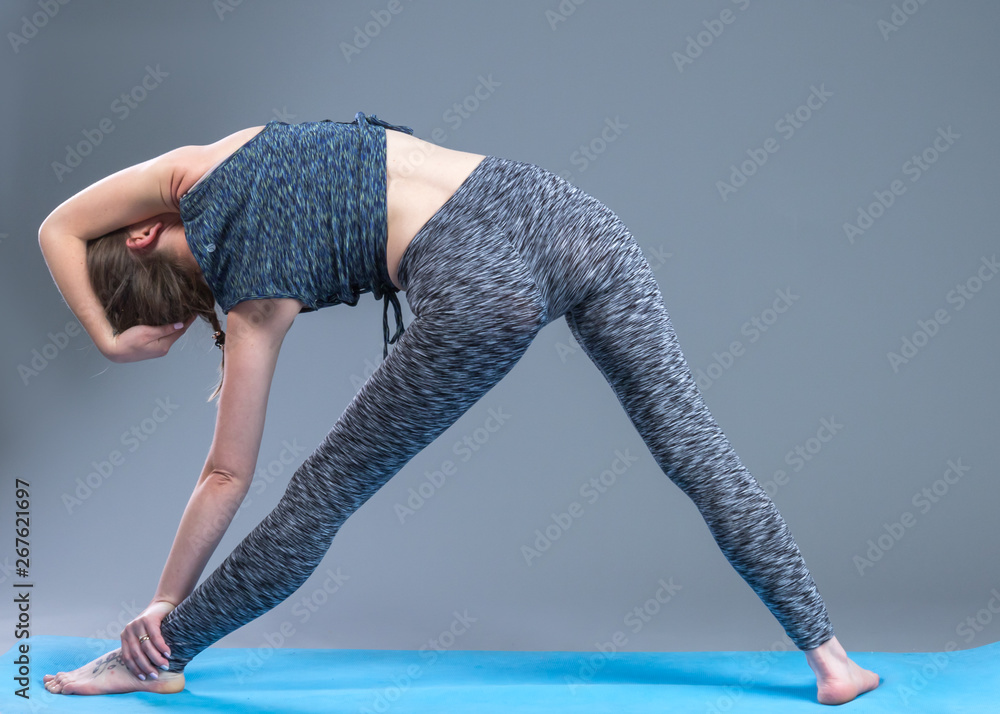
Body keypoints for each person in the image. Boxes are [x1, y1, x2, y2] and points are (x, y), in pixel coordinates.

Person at [38, 112, 879, 705]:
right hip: (566, 212)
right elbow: (61, 229)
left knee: (322, 494)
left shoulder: (256, 294)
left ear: (148, 244)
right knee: (693, 447)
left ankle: (155, 660)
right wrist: (106, 327)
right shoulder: (198, 162)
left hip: (478, 282)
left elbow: (226, 474)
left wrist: (162, 604)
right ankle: (832, 660)